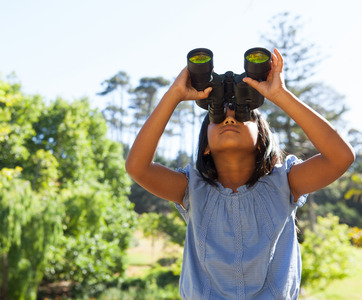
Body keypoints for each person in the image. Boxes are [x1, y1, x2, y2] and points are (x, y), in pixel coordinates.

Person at [125, 48, 355, 299]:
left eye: (242, 114)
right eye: (218, 115)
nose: (229, 119)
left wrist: (279, 94)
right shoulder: (192, 189)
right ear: (205, 149)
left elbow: (340, 157)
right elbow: (138, 167)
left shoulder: (284, 183)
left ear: (261, 140)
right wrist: (174, 95)